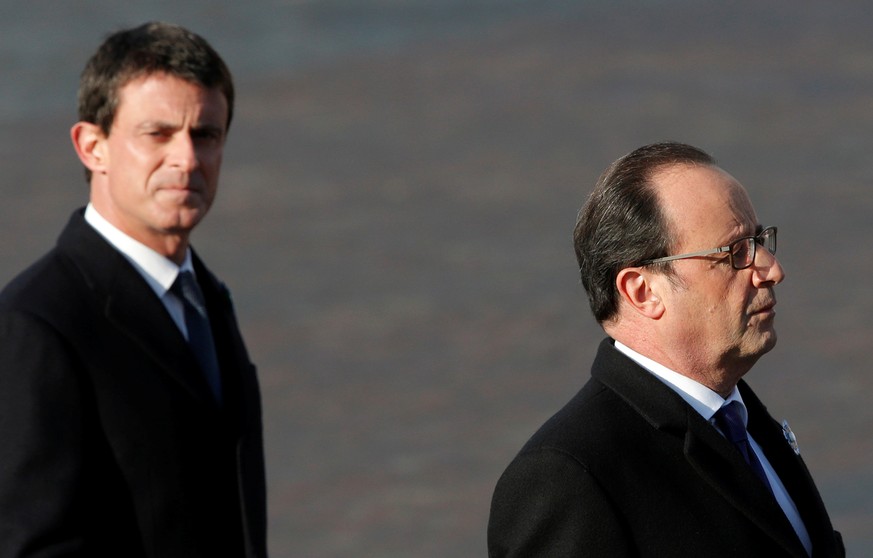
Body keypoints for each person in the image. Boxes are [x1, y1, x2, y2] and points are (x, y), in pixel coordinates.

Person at [487, 142, 844, 557]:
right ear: (643, 291)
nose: (772, 270)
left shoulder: (745, 423)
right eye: (736, 252)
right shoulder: (569, 477)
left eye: (760, 241)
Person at [0, 22, 267, 557]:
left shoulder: (206, 301)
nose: (187, 160)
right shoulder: (38, 323)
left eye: (206, 135)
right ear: (92, 146)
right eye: (158, 134)